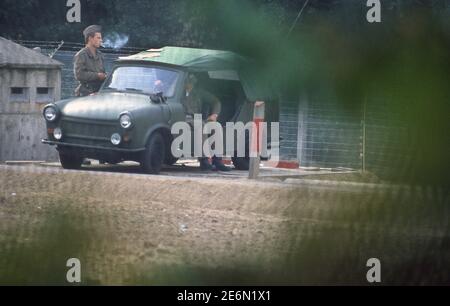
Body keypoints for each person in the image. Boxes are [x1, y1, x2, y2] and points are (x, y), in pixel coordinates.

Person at [182, 74, 231, 172]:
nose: (189, 84)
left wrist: (214, 115)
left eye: (191, 82)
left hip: (197, 118)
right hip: (182, 118)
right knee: (201, 125)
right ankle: (204, 160)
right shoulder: (178, 92)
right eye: (188, 82)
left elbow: (215, 101)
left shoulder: (198, 92)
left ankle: (217, 160)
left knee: (216, 126)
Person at [73, 25, 107, 97]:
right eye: (98, 38)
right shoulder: (81, 55)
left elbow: (103, 73)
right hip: (85, 93)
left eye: (101, 38)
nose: (101, 40)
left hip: (98, 92)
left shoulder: (100, 55)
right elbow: (79, 75)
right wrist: (97, 75)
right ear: (90, 38)